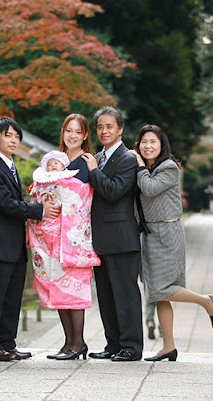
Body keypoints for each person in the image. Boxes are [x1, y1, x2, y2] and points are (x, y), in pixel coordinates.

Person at [129, 124, 213, 362]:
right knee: (159, 295)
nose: (148, 146)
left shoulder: (169, 167)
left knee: (162, 288)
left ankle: (206, 300)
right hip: (149, 233)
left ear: (162, 145)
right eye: (144, 142)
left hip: (168, 232)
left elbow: (148, 189)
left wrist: (138, 164)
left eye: (153, 142)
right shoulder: (144, 168)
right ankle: (168, 346)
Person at [0, 117, 60, 362]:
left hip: (14, 245)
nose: (13, 140)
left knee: (12, 296)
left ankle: (7, 343)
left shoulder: (11, 167)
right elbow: (6, 205)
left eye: (16, 136)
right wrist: (39, 210)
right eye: (8, 136)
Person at [81, 106, 143, 362]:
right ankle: (113, 343)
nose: (104, 131)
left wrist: (94, 171)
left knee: (125, 294)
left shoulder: (128, 158)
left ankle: (131, 347)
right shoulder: (99, 157)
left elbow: (114, 191)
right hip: (101, 238)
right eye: (100, 127)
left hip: (121, 238)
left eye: (109, 126)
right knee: (106, 295)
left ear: (120, 129)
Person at [26, 147, 99, 361]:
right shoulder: (42, 181)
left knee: (75, 295)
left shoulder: (78, 173)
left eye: (57, 164)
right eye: (50, 164)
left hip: (71, 242)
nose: (53, 167)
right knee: (59, 294)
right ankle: (69, 342)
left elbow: (81, 199)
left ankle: (79, 342)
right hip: (50, 245)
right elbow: (37, 202)